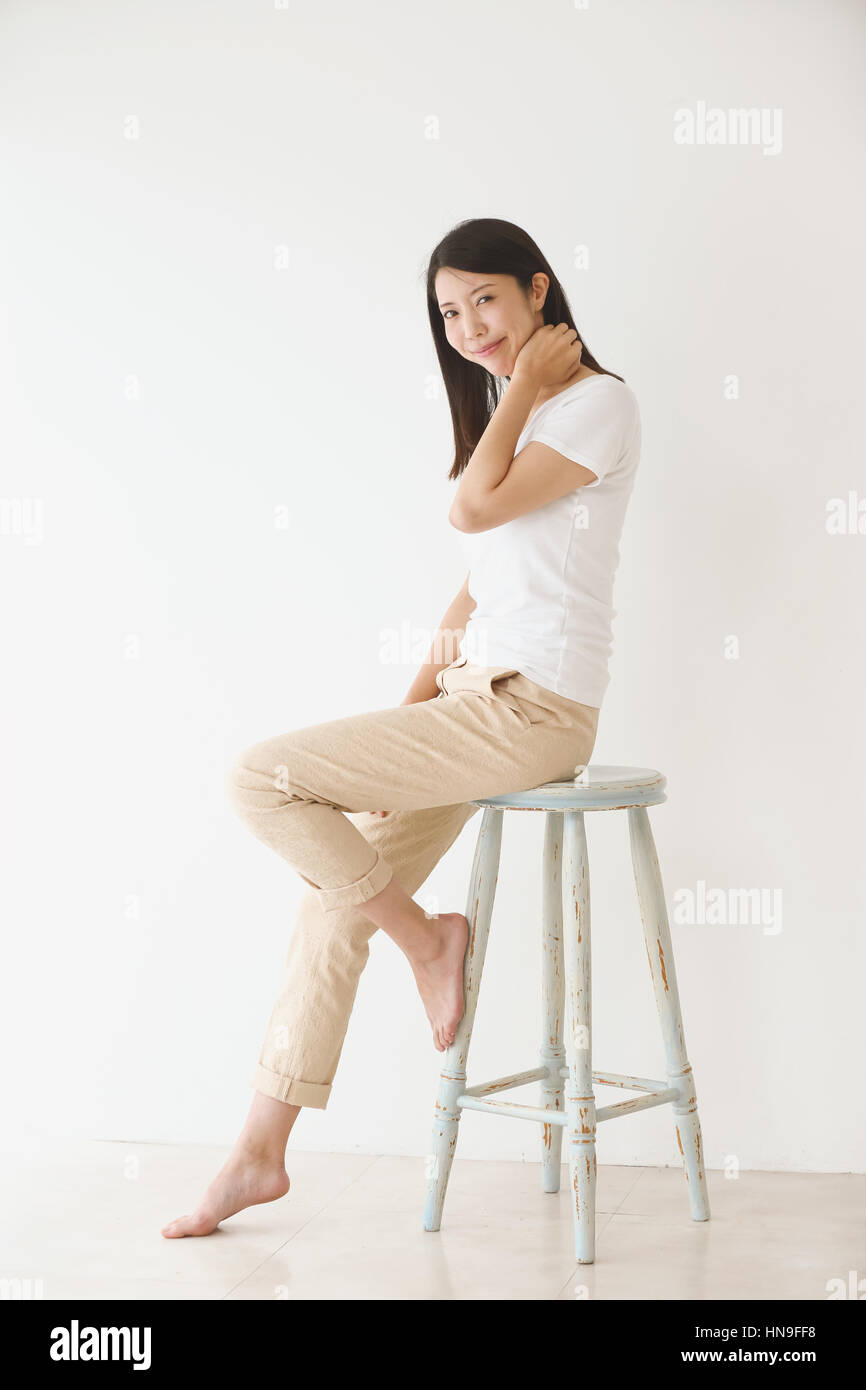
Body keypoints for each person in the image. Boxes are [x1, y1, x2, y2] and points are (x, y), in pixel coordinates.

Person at [162, 216, 641, 1237]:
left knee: (259, 776)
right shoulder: (514, 424)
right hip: (476, 700)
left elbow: (471, 514)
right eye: (448, 312)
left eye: (485, 301)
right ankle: (256, 1155)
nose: (468, 327)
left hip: (536, 709)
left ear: (538, 294)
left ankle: (429, 945)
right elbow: (471, 592)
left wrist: (516, 391)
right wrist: (406, 718)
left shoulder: (594, 405)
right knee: (333, 905)